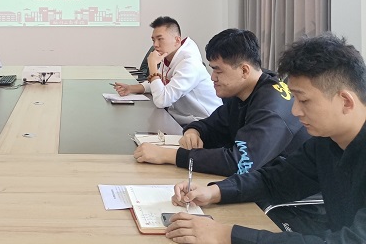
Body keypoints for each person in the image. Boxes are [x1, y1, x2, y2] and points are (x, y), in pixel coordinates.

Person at [166, 34, 366, 244]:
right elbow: (275, 180)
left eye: (304, 100)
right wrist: (214, 192)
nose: (295, 111)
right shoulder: (326, 142)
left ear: (346, 101)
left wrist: (226, 235)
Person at [133, 29, 310, 176]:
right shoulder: (243, 91)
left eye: (218, 71)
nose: (212, 77)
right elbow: (212, 124)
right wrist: (194, 131)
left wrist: (169, 156)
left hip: (284, 194)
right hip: (256, 179)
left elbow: (238, 163)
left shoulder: (271, 107)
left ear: (244, 70)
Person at [114, 16, 221, 124]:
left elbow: (162, 101)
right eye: (153, 40)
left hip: (204, 123)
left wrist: (152, 65)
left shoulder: (189, 64)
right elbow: (159, 84)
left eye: (160, 39)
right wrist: (131, 88)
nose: (155, 45)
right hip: (179, 119)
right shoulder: (169, 57)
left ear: (177, 40)